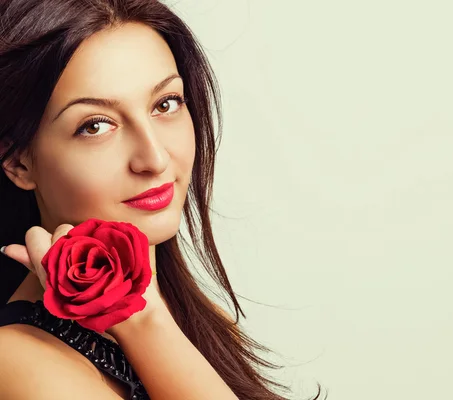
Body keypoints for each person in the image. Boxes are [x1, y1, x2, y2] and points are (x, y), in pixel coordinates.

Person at [0, 1, 325, 399]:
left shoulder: (188, 314)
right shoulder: (20, 366)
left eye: (165, 104)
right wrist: (139, 319)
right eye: (95, 125)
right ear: (18, 163)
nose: (154, 159)